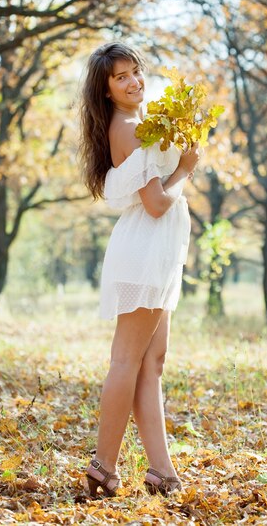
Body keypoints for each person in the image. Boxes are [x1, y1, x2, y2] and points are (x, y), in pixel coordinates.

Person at [79, 42, 199, 498]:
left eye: (136, 71)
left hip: (156, 253)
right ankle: (103, 468)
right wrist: (185, 168)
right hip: (145, 251)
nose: (134, 82)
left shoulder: (140, 124)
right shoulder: (130, 127)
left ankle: (162, 472)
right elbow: (155, 204)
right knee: (127, 361)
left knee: (152, 363)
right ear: (107, 91)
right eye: (121, 77)